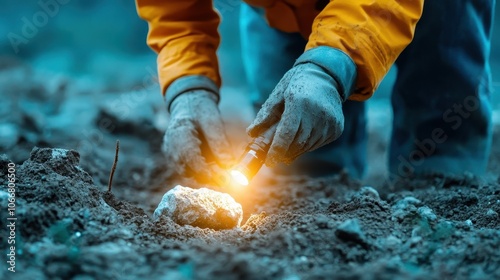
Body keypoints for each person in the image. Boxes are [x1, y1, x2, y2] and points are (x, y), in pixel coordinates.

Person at [135, 0, 495, 183]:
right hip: (280, 9)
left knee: (443, 99)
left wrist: (330, 66)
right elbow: (174, 9)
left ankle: (440, 181)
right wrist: (188, 86)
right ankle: (327, 182)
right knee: (300, 161)